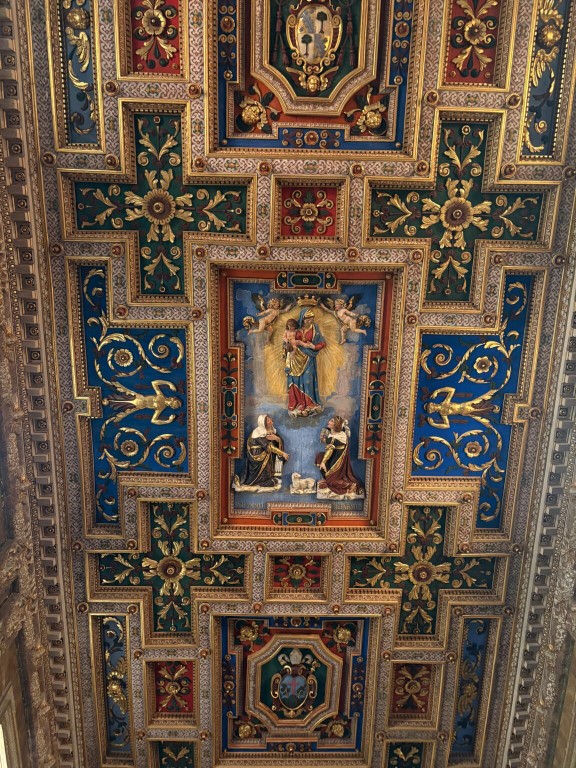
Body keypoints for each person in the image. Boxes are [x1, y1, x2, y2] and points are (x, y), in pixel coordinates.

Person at [286, 308, 326, 417]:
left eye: (312, 318)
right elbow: (287, 341)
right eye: (307, 318)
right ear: (302, 318)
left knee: (307, 380)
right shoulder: (296, 328)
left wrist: (313, 346)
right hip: (295, 358)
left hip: (309, 357)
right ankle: (299, 404)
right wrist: (290, 344)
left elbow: (323, 343)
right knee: (295, 380)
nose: (310, 320)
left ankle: (309, 404)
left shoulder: (315, 329)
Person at [233, 415, 289, 492]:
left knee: (266, 473)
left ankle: (266, 480)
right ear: (264, 423)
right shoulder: (258, 432)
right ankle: (257, 482)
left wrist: (277, 439)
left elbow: (277, 441)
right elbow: (268, 446)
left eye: (270, 419)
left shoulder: (269, 431)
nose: (271, 421)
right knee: (260, 475)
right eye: (268, 420)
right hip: (257, 456)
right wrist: (282, 454)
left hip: (265, 454)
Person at [315, 416, 364, 498]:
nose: (329, 422)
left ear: (335, 425)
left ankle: (350, 485)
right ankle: (328, 477)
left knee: (331, 482)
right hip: (334, 457)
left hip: (337, 462)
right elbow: (326, 441)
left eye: (331, 421)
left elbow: (329, 451)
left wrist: (323, 463)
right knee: (319, 456)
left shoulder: (337, 438)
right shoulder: (338, 434)